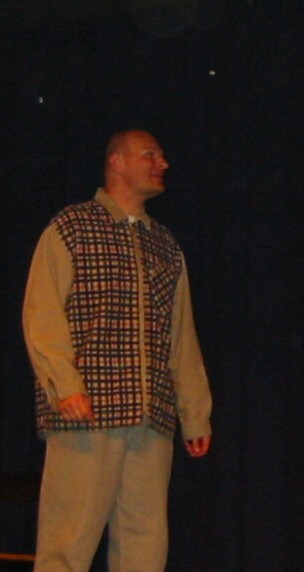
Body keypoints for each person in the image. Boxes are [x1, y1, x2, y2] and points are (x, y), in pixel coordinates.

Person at [22, 129, 213, 571]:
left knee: (144, 546)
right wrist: (64, 384)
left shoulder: (165, 245)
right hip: (87, 411)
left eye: (162, 156)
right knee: (68, 541)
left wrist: (195, 412)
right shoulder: (72, 227)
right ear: (118, 162)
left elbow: (180, 335)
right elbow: (42, 311)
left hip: (151, 418)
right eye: (151, 155)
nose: (162, 164)